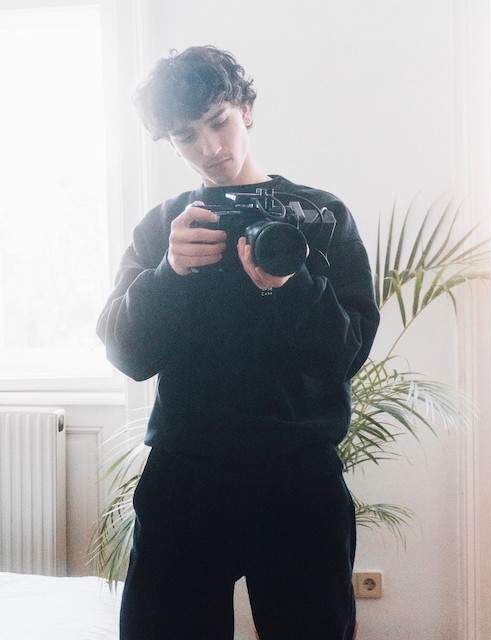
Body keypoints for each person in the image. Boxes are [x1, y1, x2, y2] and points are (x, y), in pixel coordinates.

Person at [97, 45, 379, 640]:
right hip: (185, 479)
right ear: (170, 143)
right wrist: (169, 272)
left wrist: (288, 285)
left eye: (218, 122)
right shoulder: (164, 227)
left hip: (300, 481)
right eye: (186, 135)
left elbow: (346, 356)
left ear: (245, 110)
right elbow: (128, 355)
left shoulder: (320, 216)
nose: (210, 148)